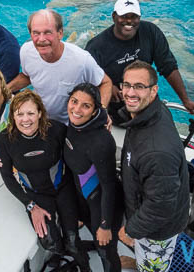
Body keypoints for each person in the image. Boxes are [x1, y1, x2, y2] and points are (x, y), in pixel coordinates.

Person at [0, 90, 90, 271]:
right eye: (20, 114)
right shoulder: (5, 140)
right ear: (13, 116)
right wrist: (31, 206)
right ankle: (59, 252)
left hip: (63, 190)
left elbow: (81, 141)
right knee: (49, 243)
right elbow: (7, 177)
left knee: (73, 242)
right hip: (36, 196)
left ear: (40, 113)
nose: (26, 119)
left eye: (31, 113)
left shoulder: (56, 130)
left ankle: (84, 266)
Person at [85, 0, 194, 123]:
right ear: (114, 16)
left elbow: (168, 66)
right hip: (116, 112)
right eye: (124, 16)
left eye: (134, 17)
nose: (129, 21)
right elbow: (88, 81)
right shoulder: (96, 47)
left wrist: (185, 100)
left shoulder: (150, 32)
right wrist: (106, 87)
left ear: (139, 18)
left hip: (146, 106)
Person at [117, 60, 190, 271]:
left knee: (154, 265)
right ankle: (140, 261)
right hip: (149, 218)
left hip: (158, 230)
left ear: (153, 90)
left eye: (139, 87)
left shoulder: (157, 151)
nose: (130, 92)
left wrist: (130, 230)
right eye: (127, 85)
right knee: (145, 255)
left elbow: (160, 207)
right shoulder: (149, 113)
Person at [8, 9, 112, 125]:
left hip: (69, 124)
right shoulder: (26, 51)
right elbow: (28, 76)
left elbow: (105, 83)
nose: (41, 39)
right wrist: (4, 90)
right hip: (39, 119)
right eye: (36, 33)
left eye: (48, 32)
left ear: (60, 33)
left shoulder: (81, 60)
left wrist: (101, 112)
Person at [63, 83, 123, 272]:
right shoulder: (72, 125)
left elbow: (109, 186)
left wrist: (105, 225)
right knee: (94, 240)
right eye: (74, 101)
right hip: (83, 198)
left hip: (102, 204)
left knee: (106, 250)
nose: (77, 109)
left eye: (85, 106)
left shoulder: (101, 141)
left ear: (94, 110)